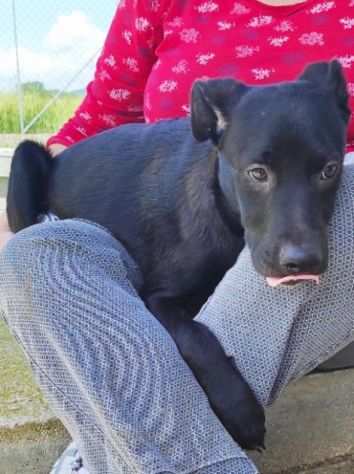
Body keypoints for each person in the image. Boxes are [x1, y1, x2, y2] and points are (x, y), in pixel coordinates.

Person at [1, 1, 354, 473]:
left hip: (327, 268)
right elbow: (101, 113)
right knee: (35, 253)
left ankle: (117, 434)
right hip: (160, 235)